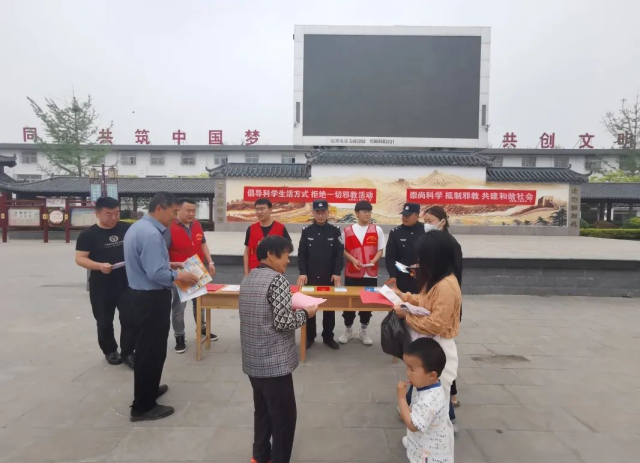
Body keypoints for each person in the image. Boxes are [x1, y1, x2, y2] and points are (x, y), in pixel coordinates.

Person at [239, 235, 319, 463]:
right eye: (285, 255)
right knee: (284, 418)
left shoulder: (248, 279)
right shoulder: (278, 280)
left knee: (263, 412)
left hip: (253, 360)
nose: (288, 260)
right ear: (271, 255)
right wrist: (306, 313)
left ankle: (259, 456)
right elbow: (282, 322)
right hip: (274, 363)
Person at [124, 192, 199, 422]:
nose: (175, 217)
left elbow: (148, 263)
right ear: (159, 209)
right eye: (173, 212)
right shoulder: (151, 234)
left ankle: (148, 390)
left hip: (139, 295)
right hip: (151, 298)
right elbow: (155, 274)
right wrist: (179, 275)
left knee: (147, 348)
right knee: (151, 351)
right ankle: (143, 407)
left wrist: (170, 264)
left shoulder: (138, 227)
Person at [393, 230, 461, 410]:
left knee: (436, 403)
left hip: (439, 347)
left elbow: (436, 324)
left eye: (422, 257)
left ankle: (438, 428)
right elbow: (425, 301)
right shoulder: (436, 279)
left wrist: (406, 316)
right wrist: (404, 296)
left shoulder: (446, 286)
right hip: (429, 344)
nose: (418, 262)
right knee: (424, 398)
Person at [75, 196, 136, 368]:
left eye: (117, 213)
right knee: (104, 320)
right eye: (109, 214)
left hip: (126, 282)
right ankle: (110, 350)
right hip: (101, 284)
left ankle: (128, 351)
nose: (114, 218)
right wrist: (99, 266)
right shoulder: (88, 235)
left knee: (129, 318)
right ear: (97, 214)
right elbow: (80, 258)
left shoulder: (126, 228)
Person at [423, 206, 463, 414]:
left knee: (442, 369)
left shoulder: (450, 246)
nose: (426, 225)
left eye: (429, 220)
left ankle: (448, 412)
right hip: (436, 306)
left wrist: (408, 315)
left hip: (444, 312)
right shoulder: (434, 243)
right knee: (430, 367)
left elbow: (436, 324)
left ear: (442, 221)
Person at [167, 198, 218, 354]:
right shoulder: (169, 227)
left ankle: (202, 329)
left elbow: (203, 243)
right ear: (178, 210)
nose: (191, 214)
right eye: (188, 210)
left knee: (200, 303)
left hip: (197, 269)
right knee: (179, 307)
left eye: (194, 211)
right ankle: (179, 336)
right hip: (180, 272)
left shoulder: (197, 224)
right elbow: (162, 250)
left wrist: (210, 261)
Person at [397, 337, 453, 463]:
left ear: (432, 375)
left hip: (429, 457)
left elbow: (413, 425)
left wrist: (401, 399)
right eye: (407, 367)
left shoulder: (430, 400)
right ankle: (412, 443)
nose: (408, 373)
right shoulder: (425, 385)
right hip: (423, 443)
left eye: (412, 369)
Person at [296, 199, 343, 350]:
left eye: (323, 212)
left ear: (328, 213)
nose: (321, 215)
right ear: (313, 213)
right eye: (318, 212)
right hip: (310, 276)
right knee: (310, 307)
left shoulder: (335, 231)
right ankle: (310, 337)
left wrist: (337, 273)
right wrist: (302, 272)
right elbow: (302, 254)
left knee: (329, 308)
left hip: (329, 276)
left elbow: (339, 255)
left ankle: (328, 337)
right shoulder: (307, 231)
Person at [338, 200, 385, 346]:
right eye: (364, 211)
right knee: (349, 302)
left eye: (369, 211)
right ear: (357, 213)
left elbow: (380, 250)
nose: (367, 214)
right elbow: (343, 250)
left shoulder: (377, 230)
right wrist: (352, 259)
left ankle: (363, 330)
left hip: (370, 273)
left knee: (367, 303)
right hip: (352, 272)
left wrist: (374, 260)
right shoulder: (347, 230)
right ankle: (348, 329)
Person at [244, 198, 291, 276]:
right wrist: (246, 272)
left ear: (270, 209)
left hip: (274, 271)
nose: (259, 212)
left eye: (262, 209)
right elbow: (247, 252)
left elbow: (287, 249)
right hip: (254, 270)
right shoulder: (251, 229)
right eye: (257, 209)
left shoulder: (280, 228)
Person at [384, 202, 425, 294]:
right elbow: (390, 257)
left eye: (408, 216)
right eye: (404, 215)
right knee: (400, 301)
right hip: (401, 277)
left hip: (421, 276)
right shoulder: (395, 232)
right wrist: (392, 275)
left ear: (417, 216)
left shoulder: (425, 231)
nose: (405, 218)